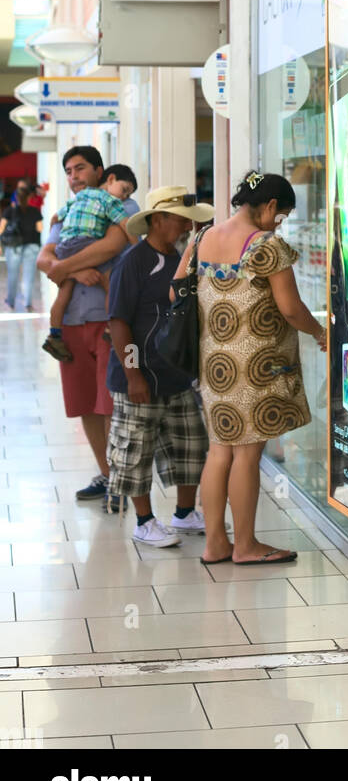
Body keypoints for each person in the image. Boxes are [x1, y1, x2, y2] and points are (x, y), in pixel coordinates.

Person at [176, 170, 326, 565]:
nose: (281, 224)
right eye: (282, 215)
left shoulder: (200, 238)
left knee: (219, 451)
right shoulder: (266, 246)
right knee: (247, 455)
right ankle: (245, 545)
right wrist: (320, 332)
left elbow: (175, 288)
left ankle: (215, 544)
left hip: (216, 365)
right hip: (257, 367)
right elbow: (291, 308)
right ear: (270, 205)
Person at [106, 186, 214, 547]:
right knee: (136, 452)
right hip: (138, 379)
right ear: (158, 219)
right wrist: (133, 374)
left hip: (177, 377)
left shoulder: (181, 258)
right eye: (181, 219)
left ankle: (184, 515)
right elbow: (118, 322)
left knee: (191, 446)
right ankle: (143, 521)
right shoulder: (132, 263)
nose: (186, 226)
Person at [36, 146, 139, 505]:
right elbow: (44, 258)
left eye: (80, 168)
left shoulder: (124, 206)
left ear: (101, 171)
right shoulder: (66, 213)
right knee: (83, 403)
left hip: (110, 320)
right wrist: (73, 270)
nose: (74, 176)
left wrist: (63, 266)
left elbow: (112, 245)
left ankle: (120, 476)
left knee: (110, 401)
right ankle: (107, 475)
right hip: (71, 322)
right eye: (68, 171)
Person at [42, 163, 138, 361]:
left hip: (65, 247)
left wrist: (54, 223)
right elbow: (124, 224)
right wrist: (138, 247)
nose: (125, 196)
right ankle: (111, 327)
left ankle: (54, 335)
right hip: (87, 243)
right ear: (110, 179)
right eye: (125, 190)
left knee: (64, 293)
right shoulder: (110, 201)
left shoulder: (81, 196)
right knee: (108, 282)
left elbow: (58, 215)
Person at [0, 179, 42, 311]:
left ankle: (11, 301)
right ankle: (27, 303)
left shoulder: (9, 211)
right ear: (29, 197)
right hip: (32, 246)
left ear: (16, 197)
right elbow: (39, 229)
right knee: (28, 276)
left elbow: (1, 228)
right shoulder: (35, 212)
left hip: (13, 247)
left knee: (13, 275)